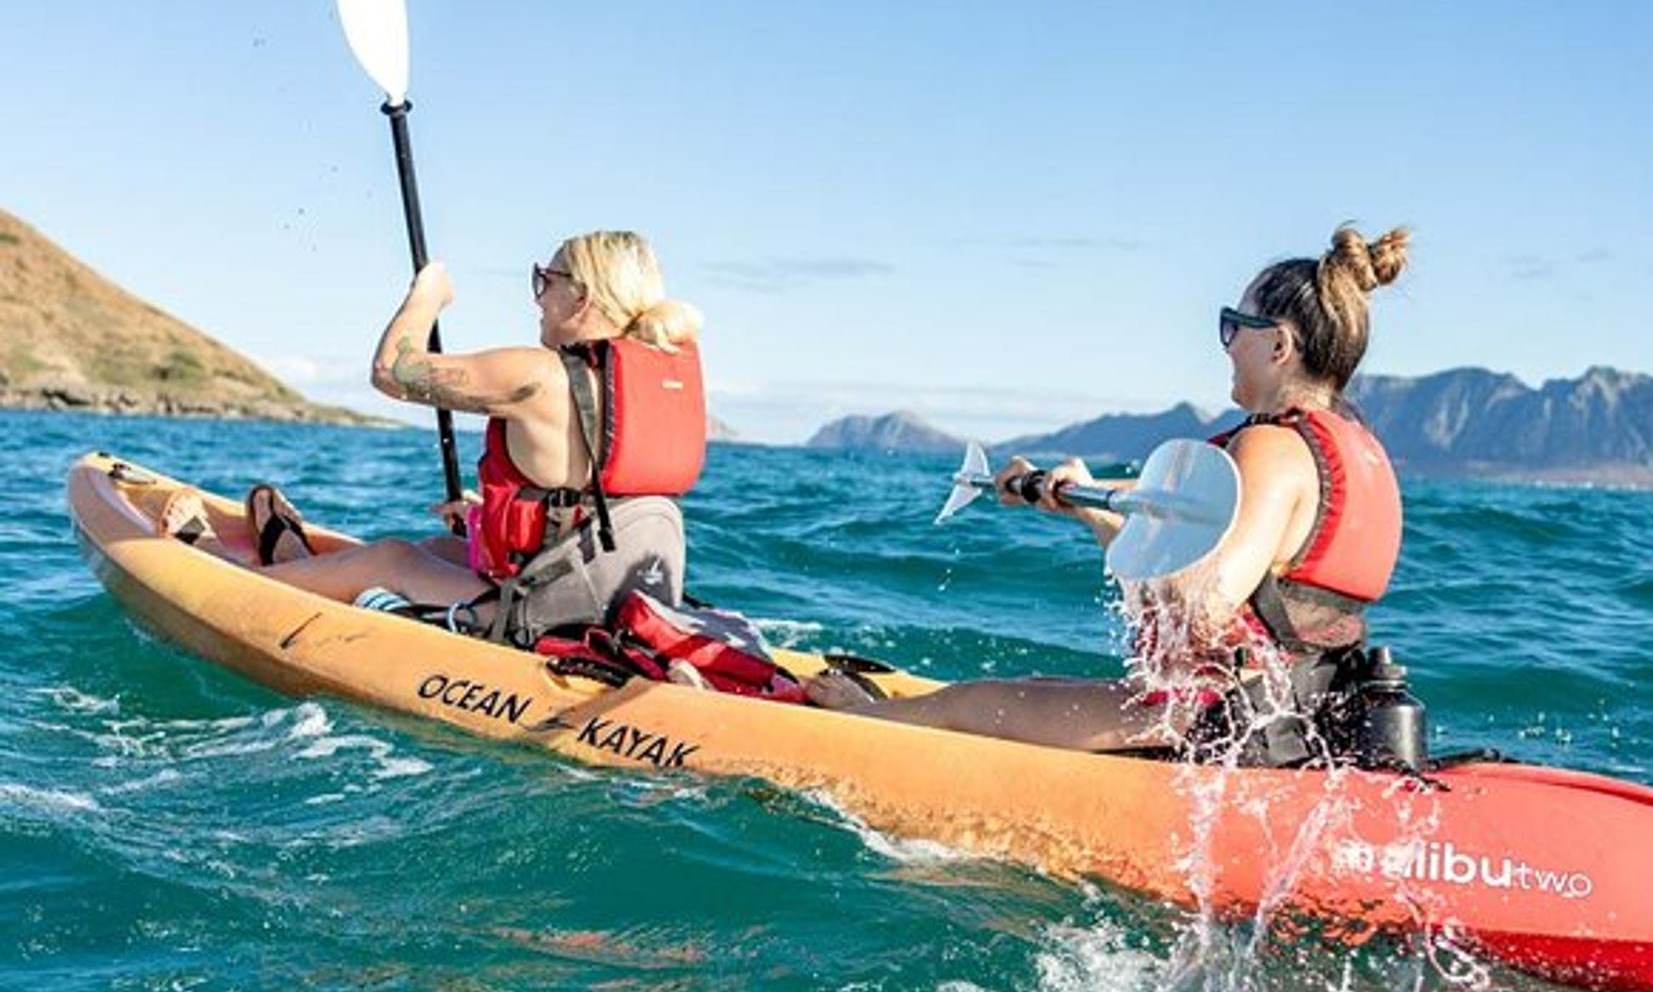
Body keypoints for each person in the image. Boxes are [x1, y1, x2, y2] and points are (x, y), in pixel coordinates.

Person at [805, 223, 1410, 765]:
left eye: (1235, 327)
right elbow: (1189, 530)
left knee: (970, 703)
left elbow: (1201, 608)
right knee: (1034, 685)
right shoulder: (1356, 451)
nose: (1226, 344)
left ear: (1279, 347)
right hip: (1299, 717)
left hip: (1219, 722)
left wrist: (1107, 526)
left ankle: (853, 723)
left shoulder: (1269, 449)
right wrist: (1081, 494)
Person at [155, 230, 706, 647]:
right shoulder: (655, 377)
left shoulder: (539, 374)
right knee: (438, 550)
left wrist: (426, 297)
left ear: (581, 298)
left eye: (547, 281)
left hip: (550, 615)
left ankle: (236, 577)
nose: (538, 298)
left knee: (392, 559)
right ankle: (295, 568)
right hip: (624, 600)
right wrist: (488, 522)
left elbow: (395, 371)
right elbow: (593, 502)